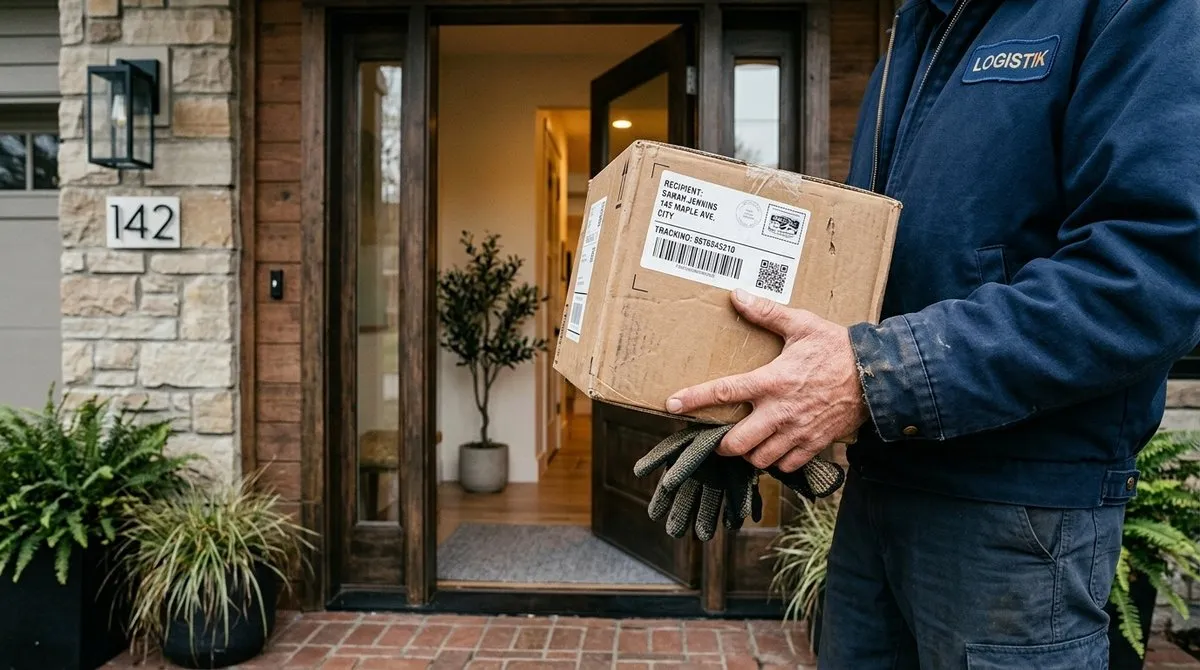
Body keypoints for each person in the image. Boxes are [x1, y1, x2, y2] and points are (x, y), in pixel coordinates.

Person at [663, 0, 1200, 666]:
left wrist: (870, 377)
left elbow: (1155, 270)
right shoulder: (912, 37)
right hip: (881, 494)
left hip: (1019, 517)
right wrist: (754, 406)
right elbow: (873, 283)